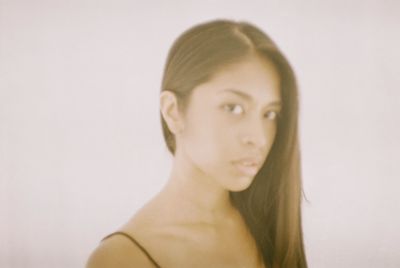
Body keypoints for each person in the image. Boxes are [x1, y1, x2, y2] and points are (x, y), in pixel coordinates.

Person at [86, 18, 308, 268]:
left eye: (269, 114)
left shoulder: (270, 225)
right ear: (173, 111)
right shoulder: (122, 259)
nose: (259, 137)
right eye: (233, 108)